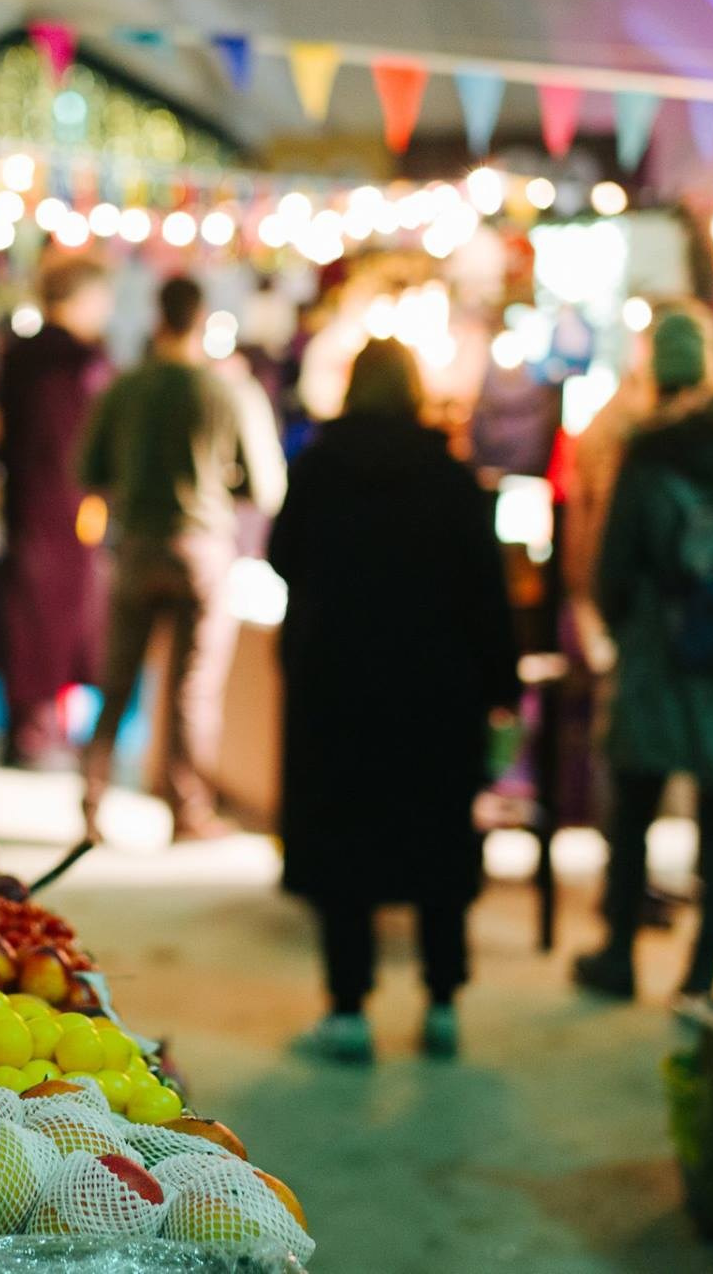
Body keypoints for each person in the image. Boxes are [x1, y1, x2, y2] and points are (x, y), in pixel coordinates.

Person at [268, 338, 518, 1063]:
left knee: (345, 845)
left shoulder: (319, 468)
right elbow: (486, 592)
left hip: (339, 685)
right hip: (437, 691)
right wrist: (499, 689)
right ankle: (442, 1001)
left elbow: (284, 557)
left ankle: (348, 1009)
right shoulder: (449, 476)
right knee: (438, 843)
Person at [573, 312, 713, 1000]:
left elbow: (611, 569)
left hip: (659, 653)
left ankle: (619, 955)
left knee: (633, 802)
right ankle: (701, 973)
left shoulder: (645, 453)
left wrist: (624, 628)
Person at [77, 276, 283, 842]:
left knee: (117, 681)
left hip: (137, 546)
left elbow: (87, 469)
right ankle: (187, 809)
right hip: (203, 549)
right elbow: (266, 486)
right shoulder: (226, 391)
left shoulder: (125, 388)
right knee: (193, 689)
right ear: (202, 320)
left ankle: (92, 800)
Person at [0, 257, 116, 768]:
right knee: (55, 618)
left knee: (29, 615)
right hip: (68, 506)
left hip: (24, 502)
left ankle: (30, 725)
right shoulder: (80, 361)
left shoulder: (19, 356)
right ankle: (41, 730)